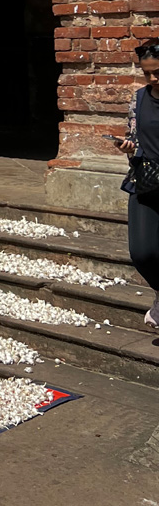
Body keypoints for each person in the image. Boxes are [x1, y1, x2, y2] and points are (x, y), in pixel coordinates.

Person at [118, 40, 159, 329]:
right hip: (147, 181)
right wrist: (128, 146)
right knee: (142, 252)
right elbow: (134, 137)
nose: (153, 78)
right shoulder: (139, 98)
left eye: (158, 72)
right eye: (147, 73)